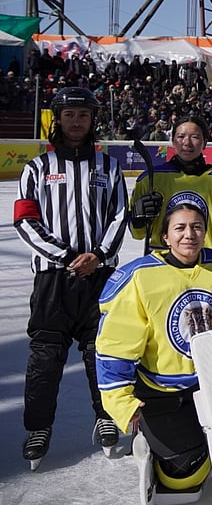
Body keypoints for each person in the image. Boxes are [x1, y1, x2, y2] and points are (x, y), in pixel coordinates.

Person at [95, 204, 212, 502]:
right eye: (180, 228)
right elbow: (115, 346)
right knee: (185, 479)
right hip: (161, 393)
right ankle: (150, 439)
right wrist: (122, 403)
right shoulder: (140, 277)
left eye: (197, 227)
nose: (190, 234)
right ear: (166, 236)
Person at [15, 86, 128, 468]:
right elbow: (25, 220)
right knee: (46, 356)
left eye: (83, 114)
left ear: (93, 119)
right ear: (57, 120)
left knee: (103, 352)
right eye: (69, 115)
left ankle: (106, 416)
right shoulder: (37, 168)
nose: (76, 121)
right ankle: (38, 427)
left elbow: (119, 216)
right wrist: (66, 257)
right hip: (53, 280)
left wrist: (97, 256)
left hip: (99, 277)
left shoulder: (109, 167)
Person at [129, 116, 212, 262]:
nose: (187, 143)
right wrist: (138, 217)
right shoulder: (150, 179)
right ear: (173, 141)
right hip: (161, 266)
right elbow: (138, 234)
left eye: (194, 137)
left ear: (205, 142)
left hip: (207, 266)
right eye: (181, 136)